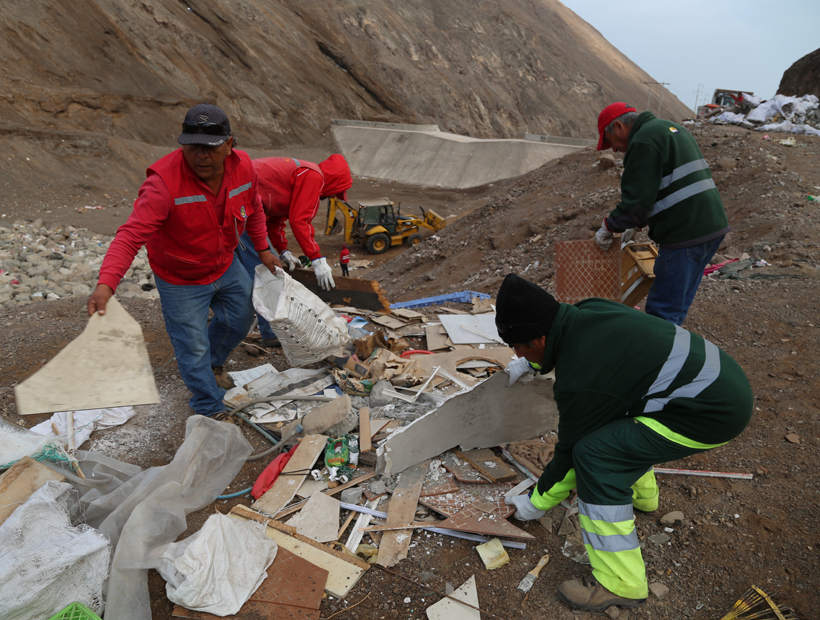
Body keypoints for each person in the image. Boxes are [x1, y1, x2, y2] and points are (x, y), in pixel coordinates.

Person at [497, 274, 752, 612]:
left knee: (595, 455)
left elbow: (570, 453)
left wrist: (534, 502)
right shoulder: (586, 312)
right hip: (717, 385)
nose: (516, 352)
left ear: (541, 337)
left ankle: (621, 582)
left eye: (520, 347)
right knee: (618, 429)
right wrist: (528, 362)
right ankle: (644, 500)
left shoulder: (579, 380)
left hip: (709, 413)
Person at [88, 103, 281, 419]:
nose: (201, 156)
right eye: (193, 148)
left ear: (230, 145)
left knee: (242, 316)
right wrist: (106, 283)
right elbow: (130, 236)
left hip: (224, 264)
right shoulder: (162, 185)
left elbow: (255, 209)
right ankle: (208, 404)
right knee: (191, 346)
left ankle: (213, 362)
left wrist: (263, 250)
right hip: (180, 278)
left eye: (211, 148)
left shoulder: (244, 168)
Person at [594, 102, 730, 326]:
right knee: (677, 305)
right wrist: (635, 223)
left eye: (609, 141)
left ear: (619, 126)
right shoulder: (668, 128)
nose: (614, 150)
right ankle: (674, 350)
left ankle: (660, 358)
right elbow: (664, 185)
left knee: (662, 313)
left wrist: (609, 226)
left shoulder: (643, 141)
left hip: (684, 233)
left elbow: (636, 201)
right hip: (711, 228)